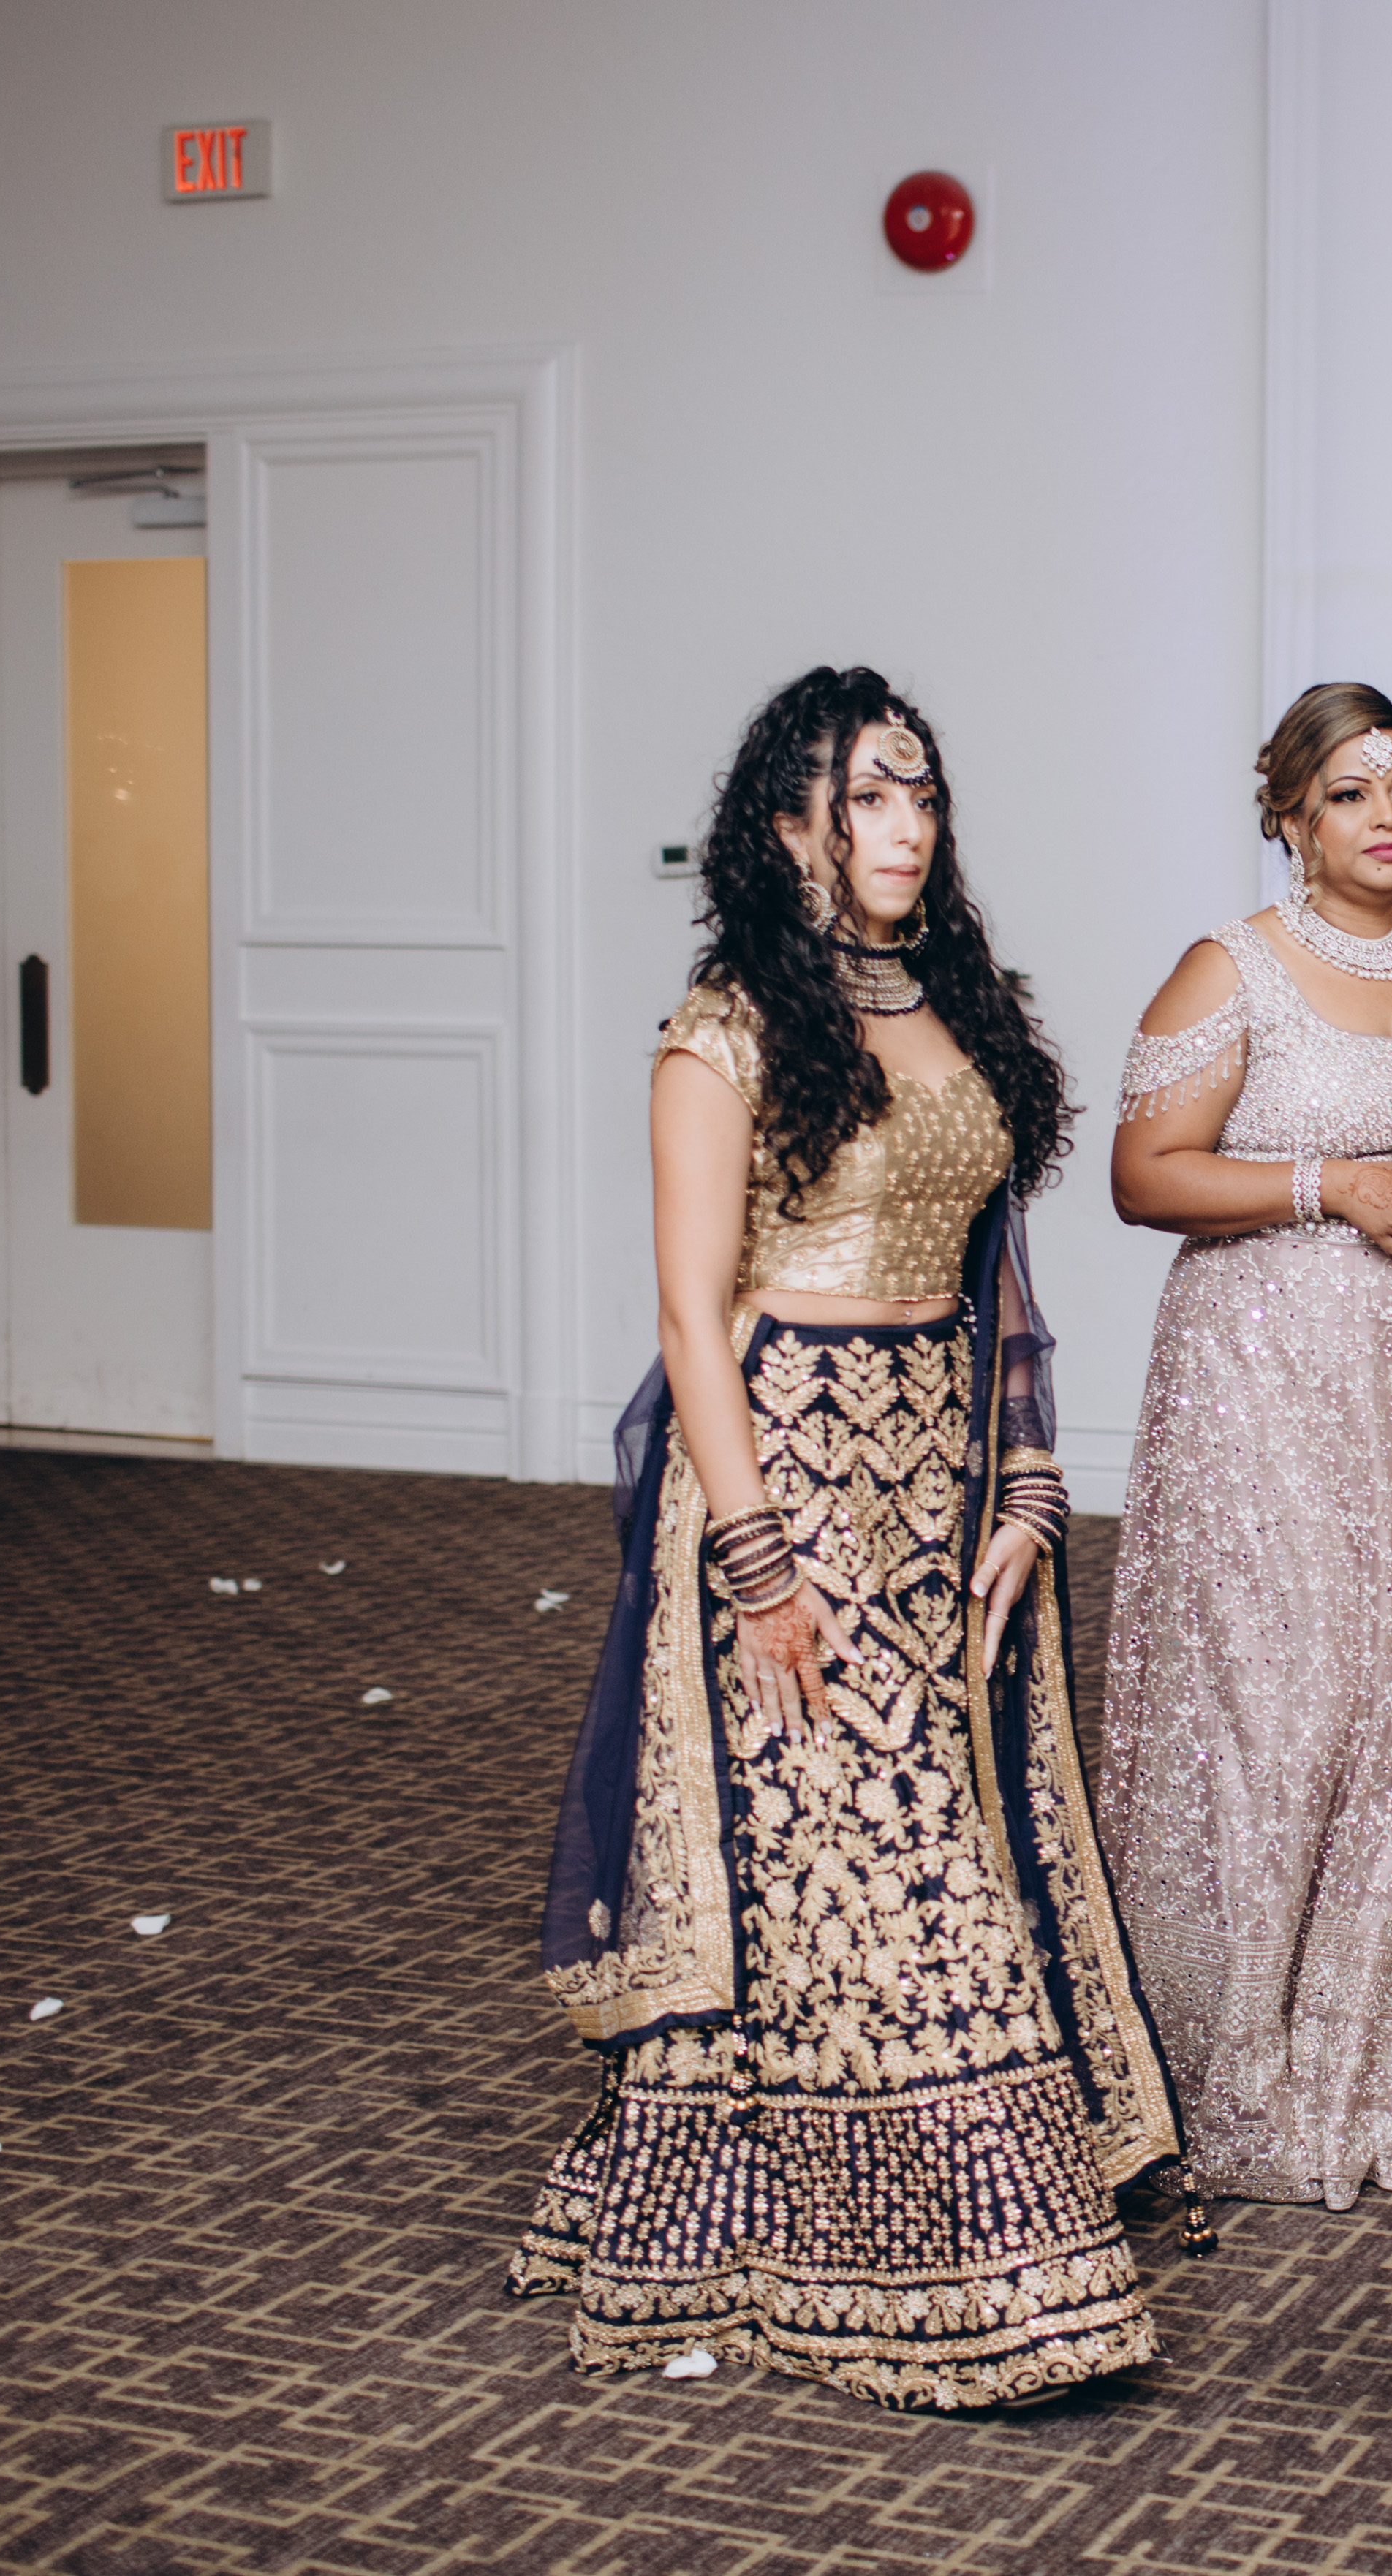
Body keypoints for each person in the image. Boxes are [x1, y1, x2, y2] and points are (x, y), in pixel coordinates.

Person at [512, 667, 1176, 2409]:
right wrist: (756, 1565)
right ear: (788, 826)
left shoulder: (959, 1015)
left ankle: (882, 2220)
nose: (903, 827)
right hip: (785, 1480)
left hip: (934, 1481)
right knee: (863, 1861)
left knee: (923, 1834)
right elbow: (689, 1316)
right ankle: (958, 2268)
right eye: (866, 796)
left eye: (919, 794)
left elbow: (991, 1276)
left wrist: (1025, 1477)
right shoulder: (723, 1034)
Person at [1097, 681, 1392, 2221]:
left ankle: (1381, 2042)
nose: (1388, 817)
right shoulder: (1230, 967)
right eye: (1353, 792)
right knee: (1272, 1704)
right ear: (1291, 818)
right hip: (1255, 1392)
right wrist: (1331, 1185)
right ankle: (1220, 2057)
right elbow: (1142, 1173)